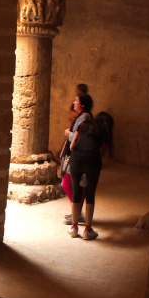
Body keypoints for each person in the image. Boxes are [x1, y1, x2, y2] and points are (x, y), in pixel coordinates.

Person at [67, 107, 111, 241]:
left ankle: (74, 228)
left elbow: (72, 146)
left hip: (76, 160)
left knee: (76, 194)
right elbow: (103, 153)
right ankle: (88, 230)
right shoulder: (103, 131)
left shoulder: (83, 125)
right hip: (93, 161)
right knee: (90, 195)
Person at [60, 91, 94, 225]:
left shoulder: (84, 117)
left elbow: (78, 137)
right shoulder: (83, 116)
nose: (74, 102)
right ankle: (77, 212)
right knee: (77, 185)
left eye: (76, 100)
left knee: (67, 184)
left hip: (78, 157)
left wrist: (68, 133)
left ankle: (77, 213)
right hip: (80, 156)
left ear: (82, 104)